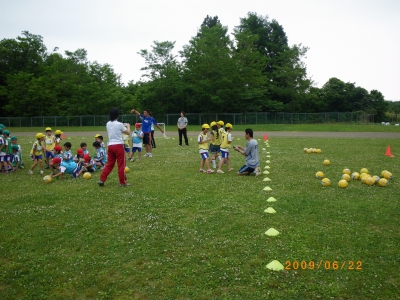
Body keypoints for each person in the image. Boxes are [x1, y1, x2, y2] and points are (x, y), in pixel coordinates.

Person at [98, 108, 131, 187]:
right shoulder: (120, 124)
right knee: (121, 165)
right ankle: (122, 182)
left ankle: (102, 179)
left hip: (110, 145)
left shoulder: (108, 123)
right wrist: (128, 126)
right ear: (117, 115)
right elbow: (128, 132)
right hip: (118, 145)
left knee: (109, 164)